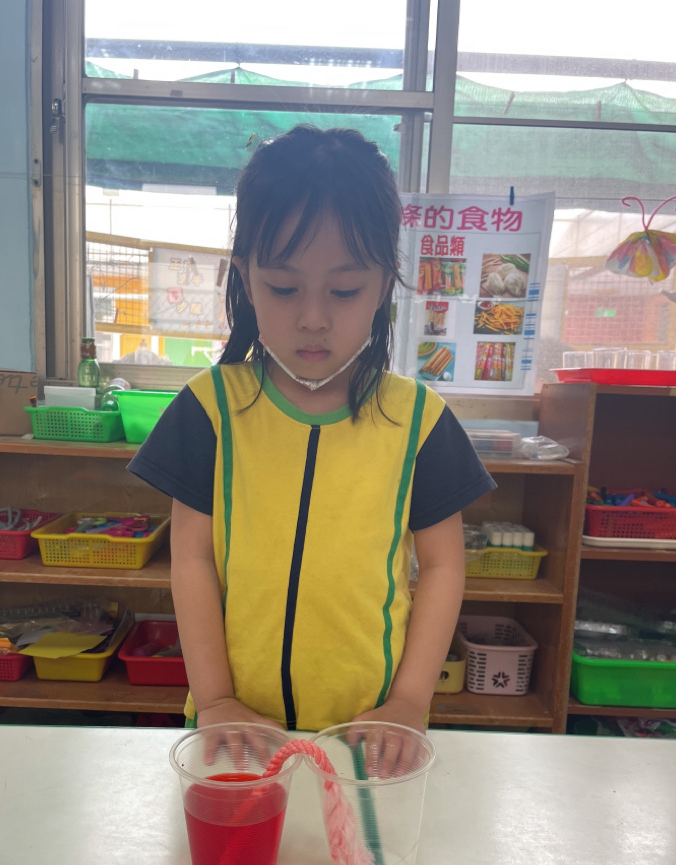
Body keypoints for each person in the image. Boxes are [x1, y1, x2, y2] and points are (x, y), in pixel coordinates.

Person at [128, 124, 495, 736]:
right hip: (235, 731)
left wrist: (409, 703)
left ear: (383, 286)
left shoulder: (419, 422)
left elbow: (442, 567)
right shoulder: (209, 409)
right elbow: (191, 559)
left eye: (345, 290)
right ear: (245, 278)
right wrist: (214, 700)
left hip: (367, 732)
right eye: (283, 287)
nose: (314, 317)